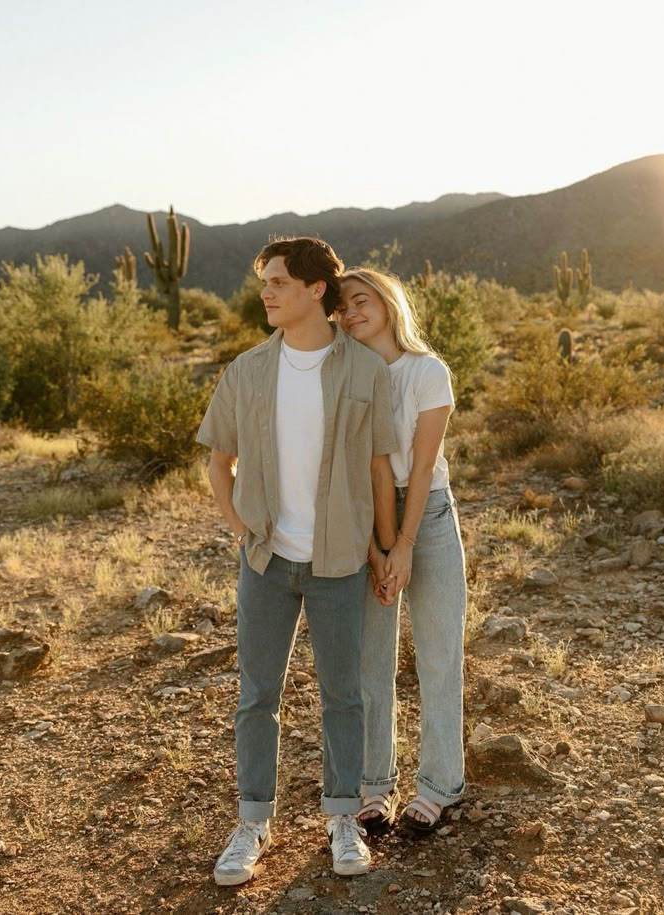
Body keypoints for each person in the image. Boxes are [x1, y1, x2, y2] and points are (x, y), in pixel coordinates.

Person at [197, 238, 397, 885]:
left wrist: (387, 550)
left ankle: (342, 817)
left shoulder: (364, 371)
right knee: (257, 695)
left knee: (345, 696)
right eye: (265, 282)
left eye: (279, 281)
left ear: (317, 289)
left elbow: (378, 467)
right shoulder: (248, 370)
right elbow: (217, 458)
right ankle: (252, 820)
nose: (267, 292)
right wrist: (240, 527)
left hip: (339, 560)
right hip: (266, 561)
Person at [335, 268, 467, 835]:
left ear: (388, 304)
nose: (350, 314)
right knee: (370, 660)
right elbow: (348, 467)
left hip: (428, 513)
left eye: (361, 301)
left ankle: (440, 786)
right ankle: (373, 788)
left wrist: (404, 545)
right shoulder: (343, 377)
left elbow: (418, 467)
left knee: (438, 654)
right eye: (341, 308)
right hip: (364, 516)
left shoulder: (426, 371)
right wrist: (374, 546)